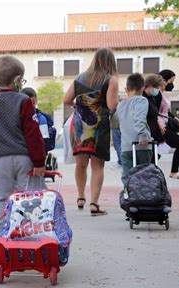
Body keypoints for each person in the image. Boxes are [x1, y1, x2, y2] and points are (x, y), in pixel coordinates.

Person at [0, 55, 46, 234]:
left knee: (1, 198)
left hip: (0, 160)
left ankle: (2, 234)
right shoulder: (24, 101)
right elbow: (32, 133)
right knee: (30, 196)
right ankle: (31, 232)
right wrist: (39, 161)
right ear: (17, 80)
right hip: (24, 158)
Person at [63, 47, 119, 216]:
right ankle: (94, 203)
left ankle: (80, 197)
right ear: (111, 62)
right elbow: (111, 106)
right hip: (98, 125)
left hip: (79, 123)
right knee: (97, 166)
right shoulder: (111, 79)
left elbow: (66, 100)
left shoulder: (79, 78)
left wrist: (82, 105)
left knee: (81, 163)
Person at [116, 73, 152, 185]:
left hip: (126, 147)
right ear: (142, 88)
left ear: (126, 89)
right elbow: (139, 118)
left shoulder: (120, 105)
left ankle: (129, 200)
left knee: (128, 179)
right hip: (141, 145)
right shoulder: (141, 100)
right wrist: (142, 134)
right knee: (144, 177)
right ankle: (144, 200)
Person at [157, 69, 179, 179]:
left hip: (163, 125)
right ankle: (174, 171)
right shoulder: (156, 94)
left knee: (162, 148)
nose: (172, 84)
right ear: (164, 80)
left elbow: (166, 111)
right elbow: (153, 110)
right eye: (171, 81)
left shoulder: (161, 93)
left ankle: (148, 169)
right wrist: (158, 123)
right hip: (161, 127)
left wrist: (178, 120)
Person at [21, 87, 56, 153]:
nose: (31, 106)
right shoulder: (18, 118)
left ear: (36, 101)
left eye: (33, 103)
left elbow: (44, 141)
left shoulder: (41, 119)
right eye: (28, 104)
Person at [143, 74, 164, 162]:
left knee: (153, 161)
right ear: (150, 85)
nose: (157, 90)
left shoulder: (151, 98)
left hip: (153, 134)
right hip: (147, 136)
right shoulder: (142, 98)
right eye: (157, 87)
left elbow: (154, 116)